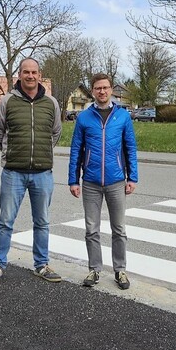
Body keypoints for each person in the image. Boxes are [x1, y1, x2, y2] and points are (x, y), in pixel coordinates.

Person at [0, 57, 63, 284]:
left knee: (42, 222)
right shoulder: (7, 101)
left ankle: (42, 264)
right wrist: (13, 151)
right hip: (13, 173)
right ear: (20, 74)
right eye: (25, 72)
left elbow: (55, 133)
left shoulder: (51, 103)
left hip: (42, 173)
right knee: (6, 221)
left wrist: (40, 152)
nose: (30, 76)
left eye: (34, 72)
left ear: (40, 75)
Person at [68, 73, 138, 290]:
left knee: (119, 229)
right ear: (93, 91)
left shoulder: (122, 116)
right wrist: (73, 180)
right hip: (90, 182)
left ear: (111, 90)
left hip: (116, 180)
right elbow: (75, 150)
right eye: (98, 88)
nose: (102, 91)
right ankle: (94, 269)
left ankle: (120, 270)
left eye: (105, 88)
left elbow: (130, 148)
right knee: (91, 229)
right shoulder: (84, 118)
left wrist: (132, 177)